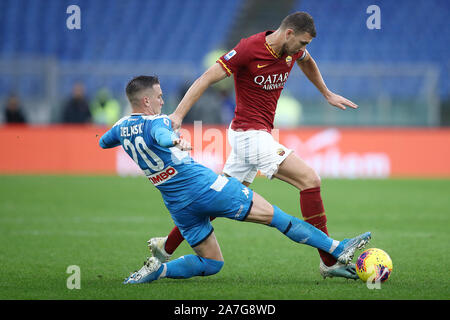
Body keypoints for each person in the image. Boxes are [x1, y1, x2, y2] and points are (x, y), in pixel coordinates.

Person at [98, 75, 371, 284]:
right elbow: (161, 136)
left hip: (178, 205)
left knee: (212, 263)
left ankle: (160, 269)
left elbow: (102, 142)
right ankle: (337, 248)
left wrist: (129, 133)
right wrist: (174, 140)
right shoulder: (157, 122)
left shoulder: (121, 127)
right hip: (209, 189)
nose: (162, 100)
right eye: (158, 96)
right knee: (279, 218)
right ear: (146, 101)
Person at [150, 11, 361, 279]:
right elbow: (206, 78)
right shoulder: (249, 48)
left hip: (253, 135)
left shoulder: (293, 51)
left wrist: (326, 93)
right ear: (289, 34)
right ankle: (330, 261)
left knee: (213, 201)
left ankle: (164, 248)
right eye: (303, 43)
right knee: (310, 179)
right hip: (249, 135)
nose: (303, 49)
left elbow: (307, 61)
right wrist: (178, 115)